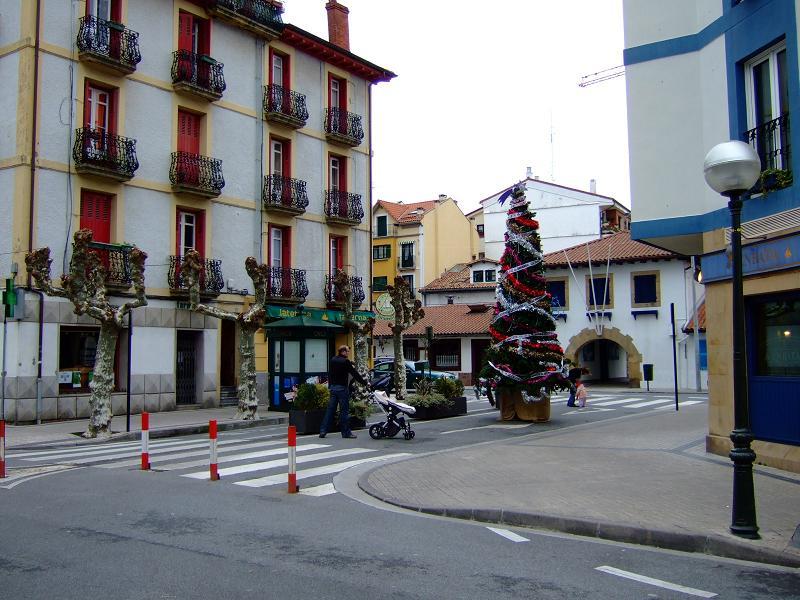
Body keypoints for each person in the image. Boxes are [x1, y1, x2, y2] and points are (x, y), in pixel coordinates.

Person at [320, 345, 367, 439]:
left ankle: (323, 431)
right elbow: (354, 373)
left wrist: (330, 386)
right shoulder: (345, 362)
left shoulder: (333, 360)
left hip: (333, 388)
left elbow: (330, 374)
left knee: (330, 410)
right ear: (343, 352)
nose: (348, 353)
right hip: (342, 389)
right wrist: (364, 383)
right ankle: (346, 433)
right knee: (344, 411)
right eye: (347, 351)